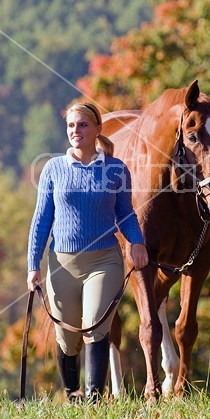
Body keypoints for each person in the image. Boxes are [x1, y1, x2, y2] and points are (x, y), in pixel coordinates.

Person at [27, 101, 148, 402]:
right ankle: (73, 393)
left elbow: (127, 214)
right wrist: (33, 266)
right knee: (67, 339)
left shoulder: (116, 169)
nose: (75, 130)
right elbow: (41, 221)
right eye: (70, 125)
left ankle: (95, 399)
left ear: (97, 129)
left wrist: (137, 242)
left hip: (104, 262)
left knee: (95, 326)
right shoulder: (53, 169)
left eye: (82, 125)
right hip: (62, 264)